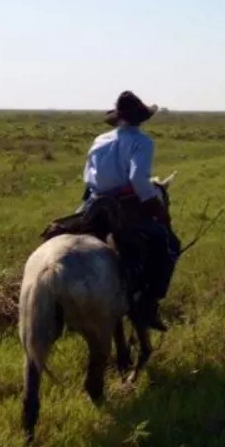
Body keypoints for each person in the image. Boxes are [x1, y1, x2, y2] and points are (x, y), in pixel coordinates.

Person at [81, 91, 181, 331]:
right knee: (168, 243)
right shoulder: (141, 141)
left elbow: (87, 176)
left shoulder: (100, 140)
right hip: (126, 205)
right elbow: (138, 179)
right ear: (141, 118)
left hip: (94, 203)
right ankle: (148, 305)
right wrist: (158, 210)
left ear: (118, 118)